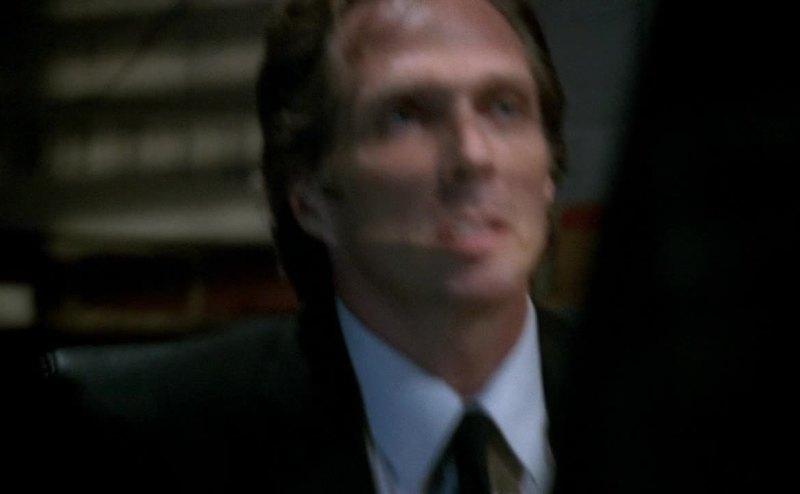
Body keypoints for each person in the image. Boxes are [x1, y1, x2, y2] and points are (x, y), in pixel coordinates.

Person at [37, 0, 572, 493]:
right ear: (310, 195)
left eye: (504, 108)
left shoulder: (625, 397)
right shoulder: (140, 438)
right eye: (404, 115)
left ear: (548, 172)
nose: (474, 156)